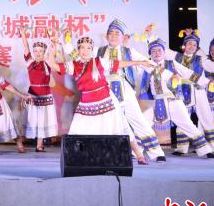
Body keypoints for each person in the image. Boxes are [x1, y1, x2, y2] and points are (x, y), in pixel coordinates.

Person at [48, 33, 151, 164]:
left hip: (106, 101)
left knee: (121, 127)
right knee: (78, 132)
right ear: (78, 50)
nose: (85, 51)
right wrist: (52, 49)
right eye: (82, 47)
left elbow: (120, 64)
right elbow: (52, 64)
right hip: (86, 104)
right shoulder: (73, 65)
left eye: (88, 48)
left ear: (92, 50)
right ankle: (76, 161)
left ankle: (139, 155)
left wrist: (139, 62)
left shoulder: (99, 61)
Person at [97, 19, 166, 162]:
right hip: (104, 89)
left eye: (117, 33)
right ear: (106, 36)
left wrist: (164, 73)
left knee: (137, 119)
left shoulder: (129, 51)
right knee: (105, 121)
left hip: (124, 88)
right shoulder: (98, 51)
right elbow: (80, 57)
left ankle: (156, 152)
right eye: (111, 33)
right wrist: (66, 46)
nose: (113, 36)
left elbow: (147, 63)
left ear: (122, 37)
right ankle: (106, 152)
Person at [138, 38, 214, 159]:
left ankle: (206, 150)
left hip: (174, 100)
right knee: (143, 124)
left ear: (164, 52)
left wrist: (206, 82)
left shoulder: (172, 64)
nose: (157, 53)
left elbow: (188, 73)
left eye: (159, 50)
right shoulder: (145, 66)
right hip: (155, 102)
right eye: (153, 51)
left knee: (188, 125)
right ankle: (135, 152)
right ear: (150, 53)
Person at [20, 28, 58, 151]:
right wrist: (23, 34)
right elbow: (26, 48)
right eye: (35, 51)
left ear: (44, 52)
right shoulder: (30, 62)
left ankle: (39, 145)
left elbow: (53, 52)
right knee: (31, 119)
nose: (37, 53)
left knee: (42, 121)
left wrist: (53, 41)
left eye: (40, 51)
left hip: (45, 95)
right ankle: (21, 143)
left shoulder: (48, 63)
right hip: (33, 95)